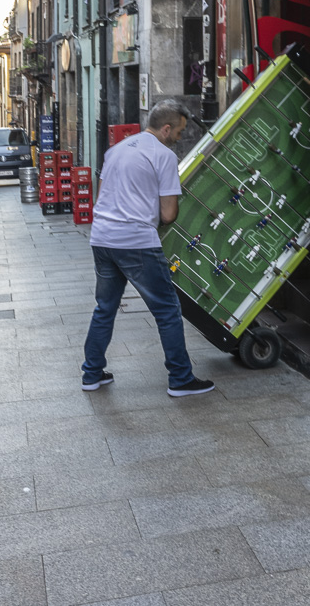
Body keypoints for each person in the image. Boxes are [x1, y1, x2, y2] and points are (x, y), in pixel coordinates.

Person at [81, 99, 214, 397]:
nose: (179, 138)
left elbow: (102, 196)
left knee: (105, 307)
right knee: (167, 310)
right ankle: (180, 378)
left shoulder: (115, 150)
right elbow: (168, 214)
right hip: (136, 242)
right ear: (166, 129)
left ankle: (91, 373)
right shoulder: (163, 156)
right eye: (179, 132)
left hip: (102, 238)